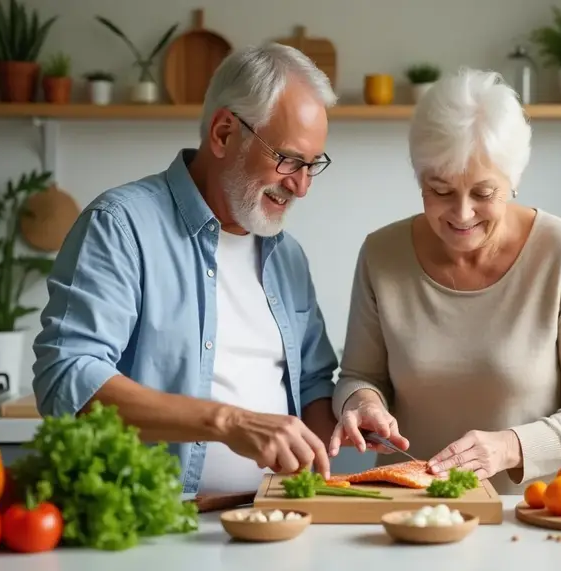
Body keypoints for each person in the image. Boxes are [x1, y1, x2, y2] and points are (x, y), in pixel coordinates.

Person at [31, 43, 343, 496]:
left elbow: (313, 382)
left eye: (313, 165)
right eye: (289, 160)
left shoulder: (286, 254)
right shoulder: (121, 225)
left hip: (272, 523)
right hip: (153, 526)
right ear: (222, 133)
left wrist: (353, 409)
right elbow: (67, 376)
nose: (301, 186)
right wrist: (227, 420)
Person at [328, 68, 561, 495]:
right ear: (420, 178)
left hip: (542, 514)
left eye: (484, 193)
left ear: (514, 180)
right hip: (414, 512)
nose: (462, 213)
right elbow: (358, 375)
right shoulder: (382, 254)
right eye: (441, 190)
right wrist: (363, 404)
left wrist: (510, 448)